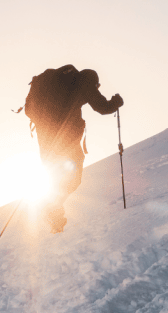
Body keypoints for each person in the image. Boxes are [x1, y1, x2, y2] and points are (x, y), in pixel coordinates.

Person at [30, 65, 123, 233]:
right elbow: (102, 107)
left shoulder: (60, 84)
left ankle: (54, 216)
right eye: (97, 86)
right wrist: (116, 103)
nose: (96, 89)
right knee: (73, 177)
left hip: (45, 139)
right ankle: (50, 209)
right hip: (66, 139)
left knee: (55, 175)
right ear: (94, 82)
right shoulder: (85, 81)